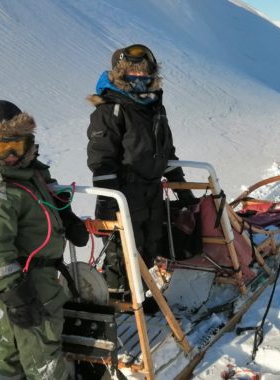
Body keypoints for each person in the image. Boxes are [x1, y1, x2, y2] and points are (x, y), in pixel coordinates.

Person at [0, 100, 89, 379]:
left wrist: (68, 218)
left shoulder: (29, 169)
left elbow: (51, 193)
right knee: (43, 345)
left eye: (18, 145)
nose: (11, 155)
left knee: (15, 337)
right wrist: (16, 296)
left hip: (39, 272)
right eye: (0, 148)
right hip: (23, 280)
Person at [86, 44, 194, 293]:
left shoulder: (155, 107)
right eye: (131, 72)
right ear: (118, 74)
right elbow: (101, 157)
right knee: (123, 249)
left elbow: (166, 150)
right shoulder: (110, 109)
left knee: (151, 243)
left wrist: (182, 186)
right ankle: (121, 301)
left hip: (152, 189)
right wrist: (107, 198)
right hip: (123, 190)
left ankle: (141, 295)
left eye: (143, 72)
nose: (138, 77)